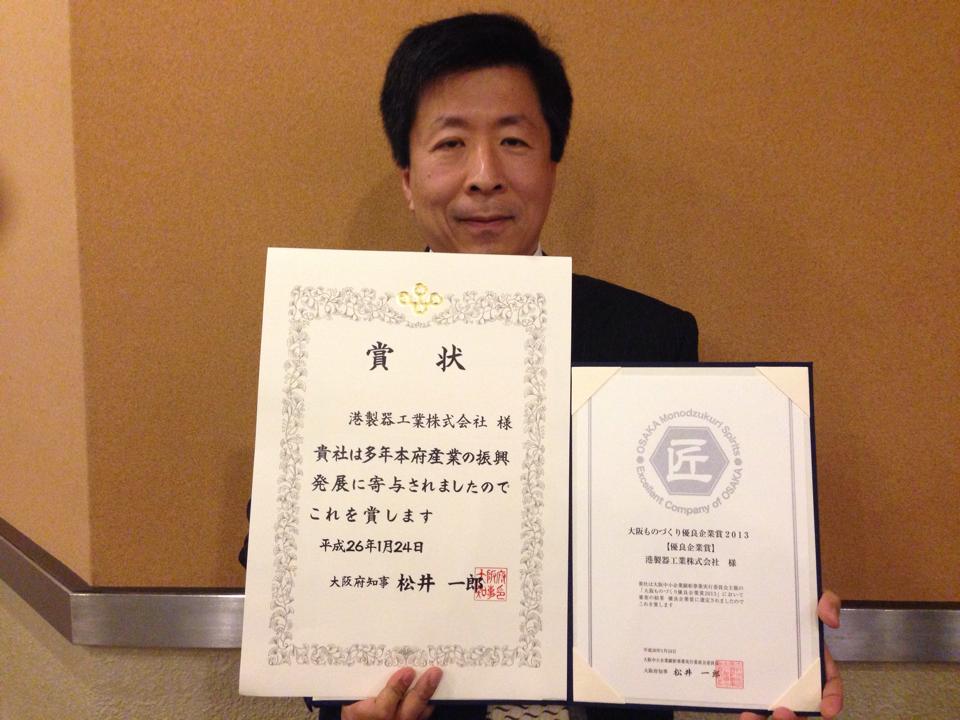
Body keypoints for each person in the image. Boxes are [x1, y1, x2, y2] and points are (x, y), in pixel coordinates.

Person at [247, 12, 843, 720]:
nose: (485, 177)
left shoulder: (649, 336)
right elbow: (291, 567)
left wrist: (773, 626)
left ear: (552, 165)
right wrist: (347, 705)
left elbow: (698, 536)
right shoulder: (337, 338)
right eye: (450, 143)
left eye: (513, 141)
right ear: (407, 178)